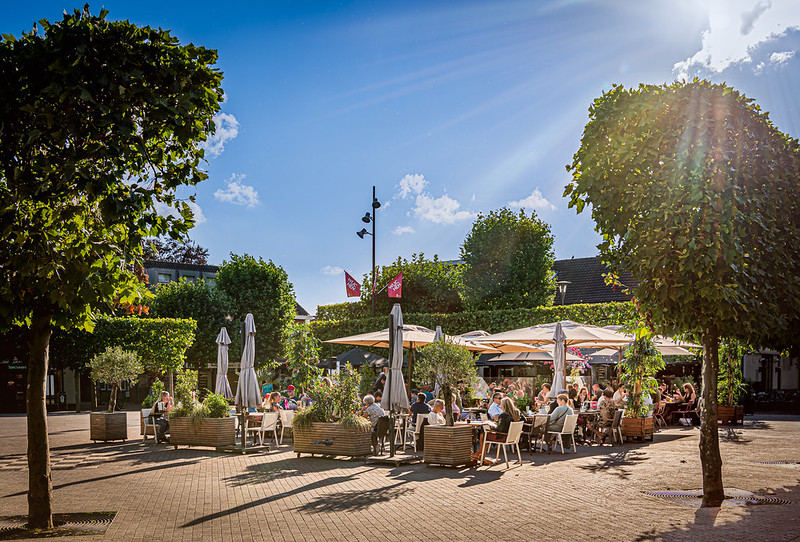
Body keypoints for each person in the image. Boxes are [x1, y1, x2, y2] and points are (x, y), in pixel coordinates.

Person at [474, 397, 520, 465]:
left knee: (483, 434)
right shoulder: (516, 413)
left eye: (501, 404)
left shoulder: (503, 415)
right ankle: (481, 456)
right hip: (511, 437)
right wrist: (497, 424)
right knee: (486, 435)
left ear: (504, 405)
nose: (500, 406)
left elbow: (499, 429)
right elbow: (503, 425)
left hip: (503, 436)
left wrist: (492, 426)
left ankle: (479, 454)